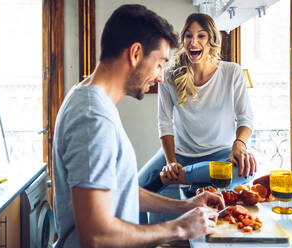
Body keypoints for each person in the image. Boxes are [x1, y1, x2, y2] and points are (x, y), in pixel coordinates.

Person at [52, 5, 225, 248]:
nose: (161, 77)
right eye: (159, 64)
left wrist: (186, 206)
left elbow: (119, 190)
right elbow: (97, 236)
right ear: (135, 53)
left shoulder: (91, 100)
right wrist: (180, 227)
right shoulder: (92, 118)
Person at [138, 13, 256, 223]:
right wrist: (172, 163)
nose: (194, 42)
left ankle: (187, 176)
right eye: (188, 36)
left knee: (245, 171)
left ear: (211, 41)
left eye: (201, 36)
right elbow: (164, 123)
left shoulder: (232, 72)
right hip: (181, 154)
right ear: (183, 41)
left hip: (220, 156)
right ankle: (140, 239)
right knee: (134, 188)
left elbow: (246, 119)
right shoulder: (169, 75)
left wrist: (239, 144)